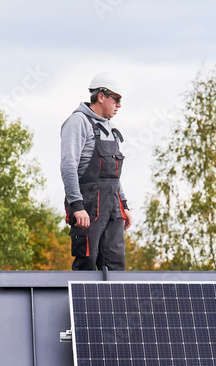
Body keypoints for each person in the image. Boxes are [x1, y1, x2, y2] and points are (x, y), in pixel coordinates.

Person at [60, 72, 132, 270]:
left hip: (113, 209)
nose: (119, 105)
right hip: (89, 208)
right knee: (87, 266)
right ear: (101, 96)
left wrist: (123, 204)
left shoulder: (112, 128)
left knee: (115, 265)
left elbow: (113, 175)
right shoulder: (77, 123)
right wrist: (76, 205)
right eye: (116, 99)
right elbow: (68, 166)